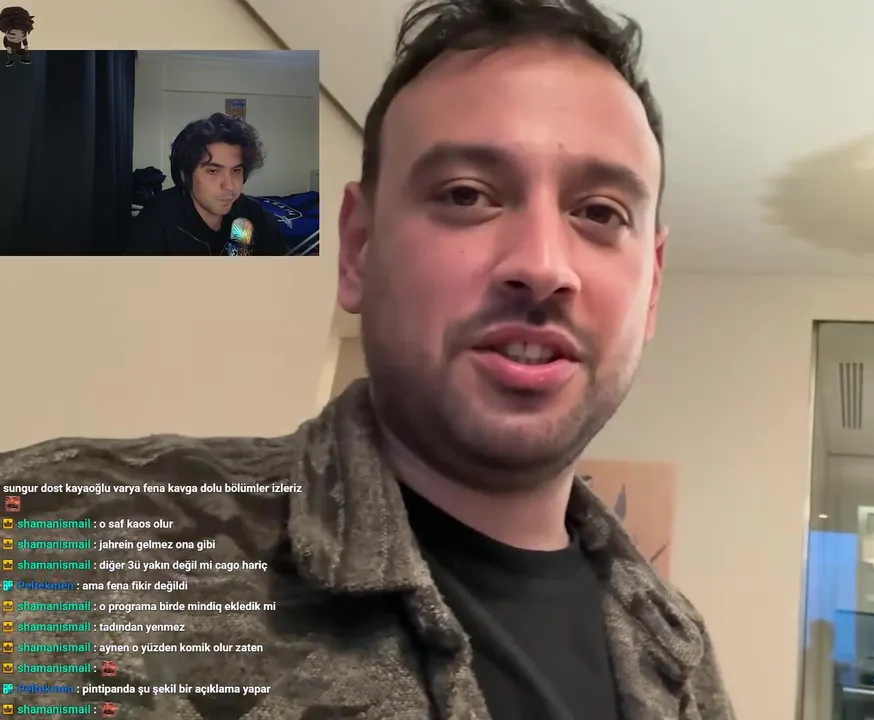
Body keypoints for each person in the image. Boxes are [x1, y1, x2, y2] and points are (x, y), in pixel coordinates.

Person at [0, 0, 733, 718]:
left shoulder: (684, 662)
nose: (543, 266)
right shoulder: (52, 535)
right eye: (467, 195)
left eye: (601, 212)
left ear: (652, 286)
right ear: (357, 249)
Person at [126, 112, 288, 255]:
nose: (230, 186)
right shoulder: (156, 222)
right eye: (213, 171)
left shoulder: (254, 216)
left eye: (236, 170)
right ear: (185, 176)